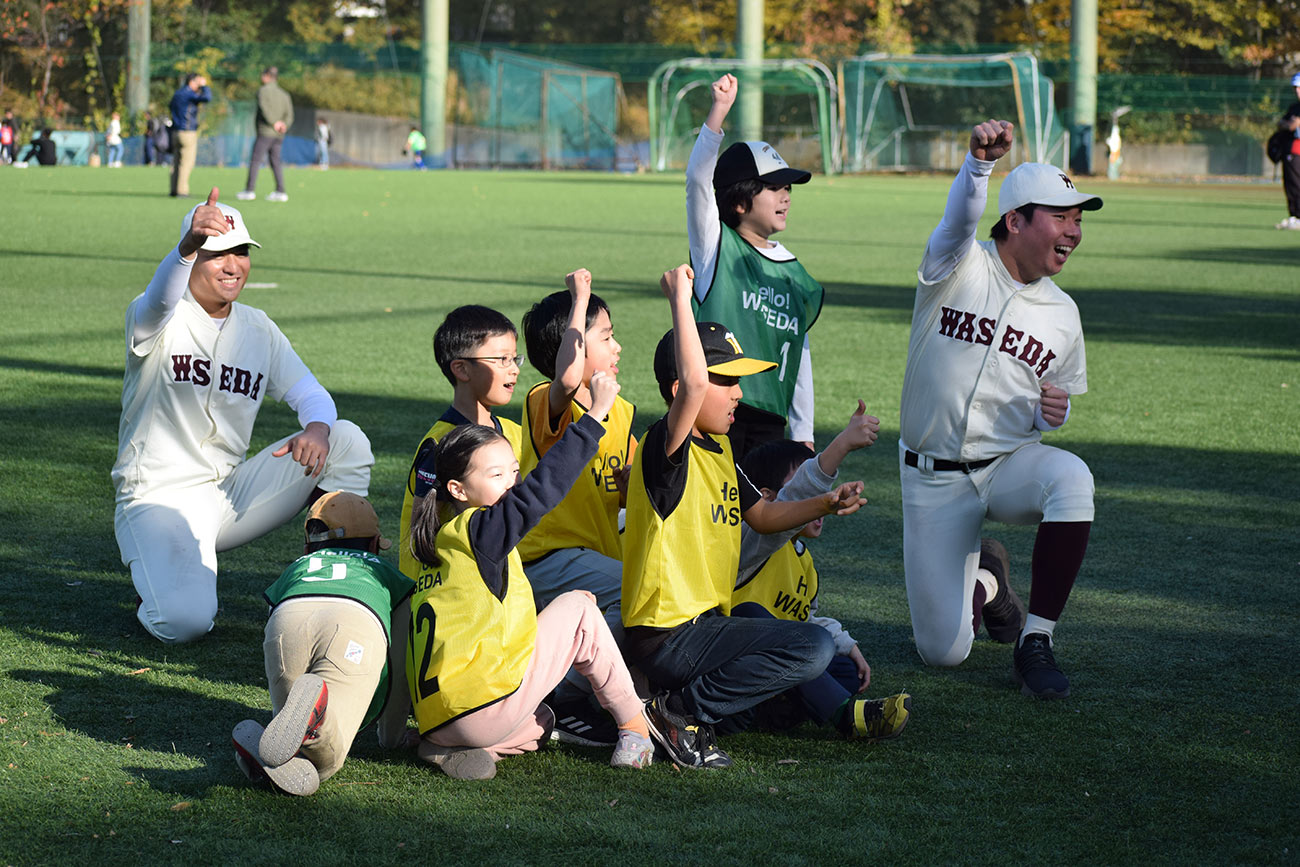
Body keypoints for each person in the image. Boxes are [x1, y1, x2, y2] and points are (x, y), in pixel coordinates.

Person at [621, 264, 868, 769]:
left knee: (769, 627)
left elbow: (766, 516)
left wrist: (827, 502)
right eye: (727, 380)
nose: (738, 393)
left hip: (702, 629)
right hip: (667, 636)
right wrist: (680, 298)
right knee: (814, 648)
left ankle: (691, 711)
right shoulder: (666, 450)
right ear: (681, 389)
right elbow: (692, 384)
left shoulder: (721, 452)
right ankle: (678, 714)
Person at [112, 187, 374, 645]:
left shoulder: (258, 328)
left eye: (241, 252)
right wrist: (185, 247)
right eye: (216, 254)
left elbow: (310, 393)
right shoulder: (156, 317)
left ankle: (333, 582)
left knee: (344, 439)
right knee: (183, 623)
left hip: (229, 494)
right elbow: (160, 299)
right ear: (192, 258)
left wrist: (316, 428)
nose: (233, 265)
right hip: (156, 498)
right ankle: (158, 580)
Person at [898, 119, 1102, 699]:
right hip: (933, 478)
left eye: (1078, 219)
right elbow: (958, 221)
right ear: (1015, 220)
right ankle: (988, 580)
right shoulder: (955, 264)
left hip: (1007, 464)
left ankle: (1035, 640)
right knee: (944, 652)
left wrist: (1053, 413)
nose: (1074, 231)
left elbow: (1051, 407)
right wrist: (979, 166)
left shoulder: (1063, 314)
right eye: (1060, 217)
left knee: (1072, 479)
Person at [405, 376, 674, 780]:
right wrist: (595, 416)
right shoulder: (483, 530)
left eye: (515, 471)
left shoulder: (439, 541)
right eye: (497, 475)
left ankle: (452, 748)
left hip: (438, 719)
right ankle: (635, 728)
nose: (512, 483)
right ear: (458, 490)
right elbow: (544, 487)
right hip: (481, 708)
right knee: (580, 609)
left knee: (543, 718)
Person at [731, 425, 910, 740]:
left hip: (778, 661)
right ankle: (846, 717)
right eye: (805, 493)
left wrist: (847, 644)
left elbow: (806, 619)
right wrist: (842, 444)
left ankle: (769, 707)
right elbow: (794, 500)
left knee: (845, 670)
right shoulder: (753, 541)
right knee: (750, 614)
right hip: (732, 655)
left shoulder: (805, 564)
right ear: (766, 498)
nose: (818, 503)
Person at [232, 492, 415, 796]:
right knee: (327, 755)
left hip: (287, 618)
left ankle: (274, 756)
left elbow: (272, 620)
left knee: (290, 738)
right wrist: (392, 738)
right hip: (355, 620)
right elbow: (400, 666)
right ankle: (314, 726)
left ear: (308, 545)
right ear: (374, 544)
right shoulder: (386, 573)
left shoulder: (298, 566)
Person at [687, 74, 824, 458]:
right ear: (739, 201)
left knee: (762, 500)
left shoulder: (797, 275)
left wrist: (803, 430)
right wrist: (719, 110)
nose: (786, 197)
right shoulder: (715, 248)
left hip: (772, 420)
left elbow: (798, 353)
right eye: (774, 187)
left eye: (788, 188)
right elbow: (698, 182)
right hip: (714, 409)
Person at [397, 305, 524, 586]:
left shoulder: (513, 432)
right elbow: (422, 534)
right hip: (450, 590)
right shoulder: (441, 443)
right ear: (462, 368)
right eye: (502, 359)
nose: (514, 369)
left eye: (515, 358)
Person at [237, 67, 294, 203]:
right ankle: (280, 191)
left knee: (256, 160)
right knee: (276, 162)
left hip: (265, 132)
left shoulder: (263, 91)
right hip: (279, 135)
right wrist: (283, 125)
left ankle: (249, 190)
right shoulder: (284, 94)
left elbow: (265, 109)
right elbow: (289, 115)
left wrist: (274, 123)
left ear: (267, 76)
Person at [169, 73, 210, 197]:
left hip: (175, 131)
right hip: (187, 132)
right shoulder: (189, 94)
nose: (198, 86)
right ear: (191, 82)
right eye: (197, 82)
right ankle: (182, 191)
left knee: (176, 162)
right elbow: (207, 98)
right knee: (186, 163)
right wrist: (205, 86)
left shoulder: (177, 93)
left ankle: (174, 189)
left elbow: (170, 107)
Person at [1276, 73, 1300, 230]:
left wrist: (1292, 124)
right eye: (1295, 88)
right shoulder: (1294, 108)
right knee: (1291, 184)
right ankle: (1295, 216)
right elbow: (1283, 124)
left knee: (1297, 184)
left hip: (1297, 149)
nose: (1297, 91)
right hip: (1293, 149)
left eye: (1299, 87)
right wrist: (1289, 124)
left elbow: (1292, 125)